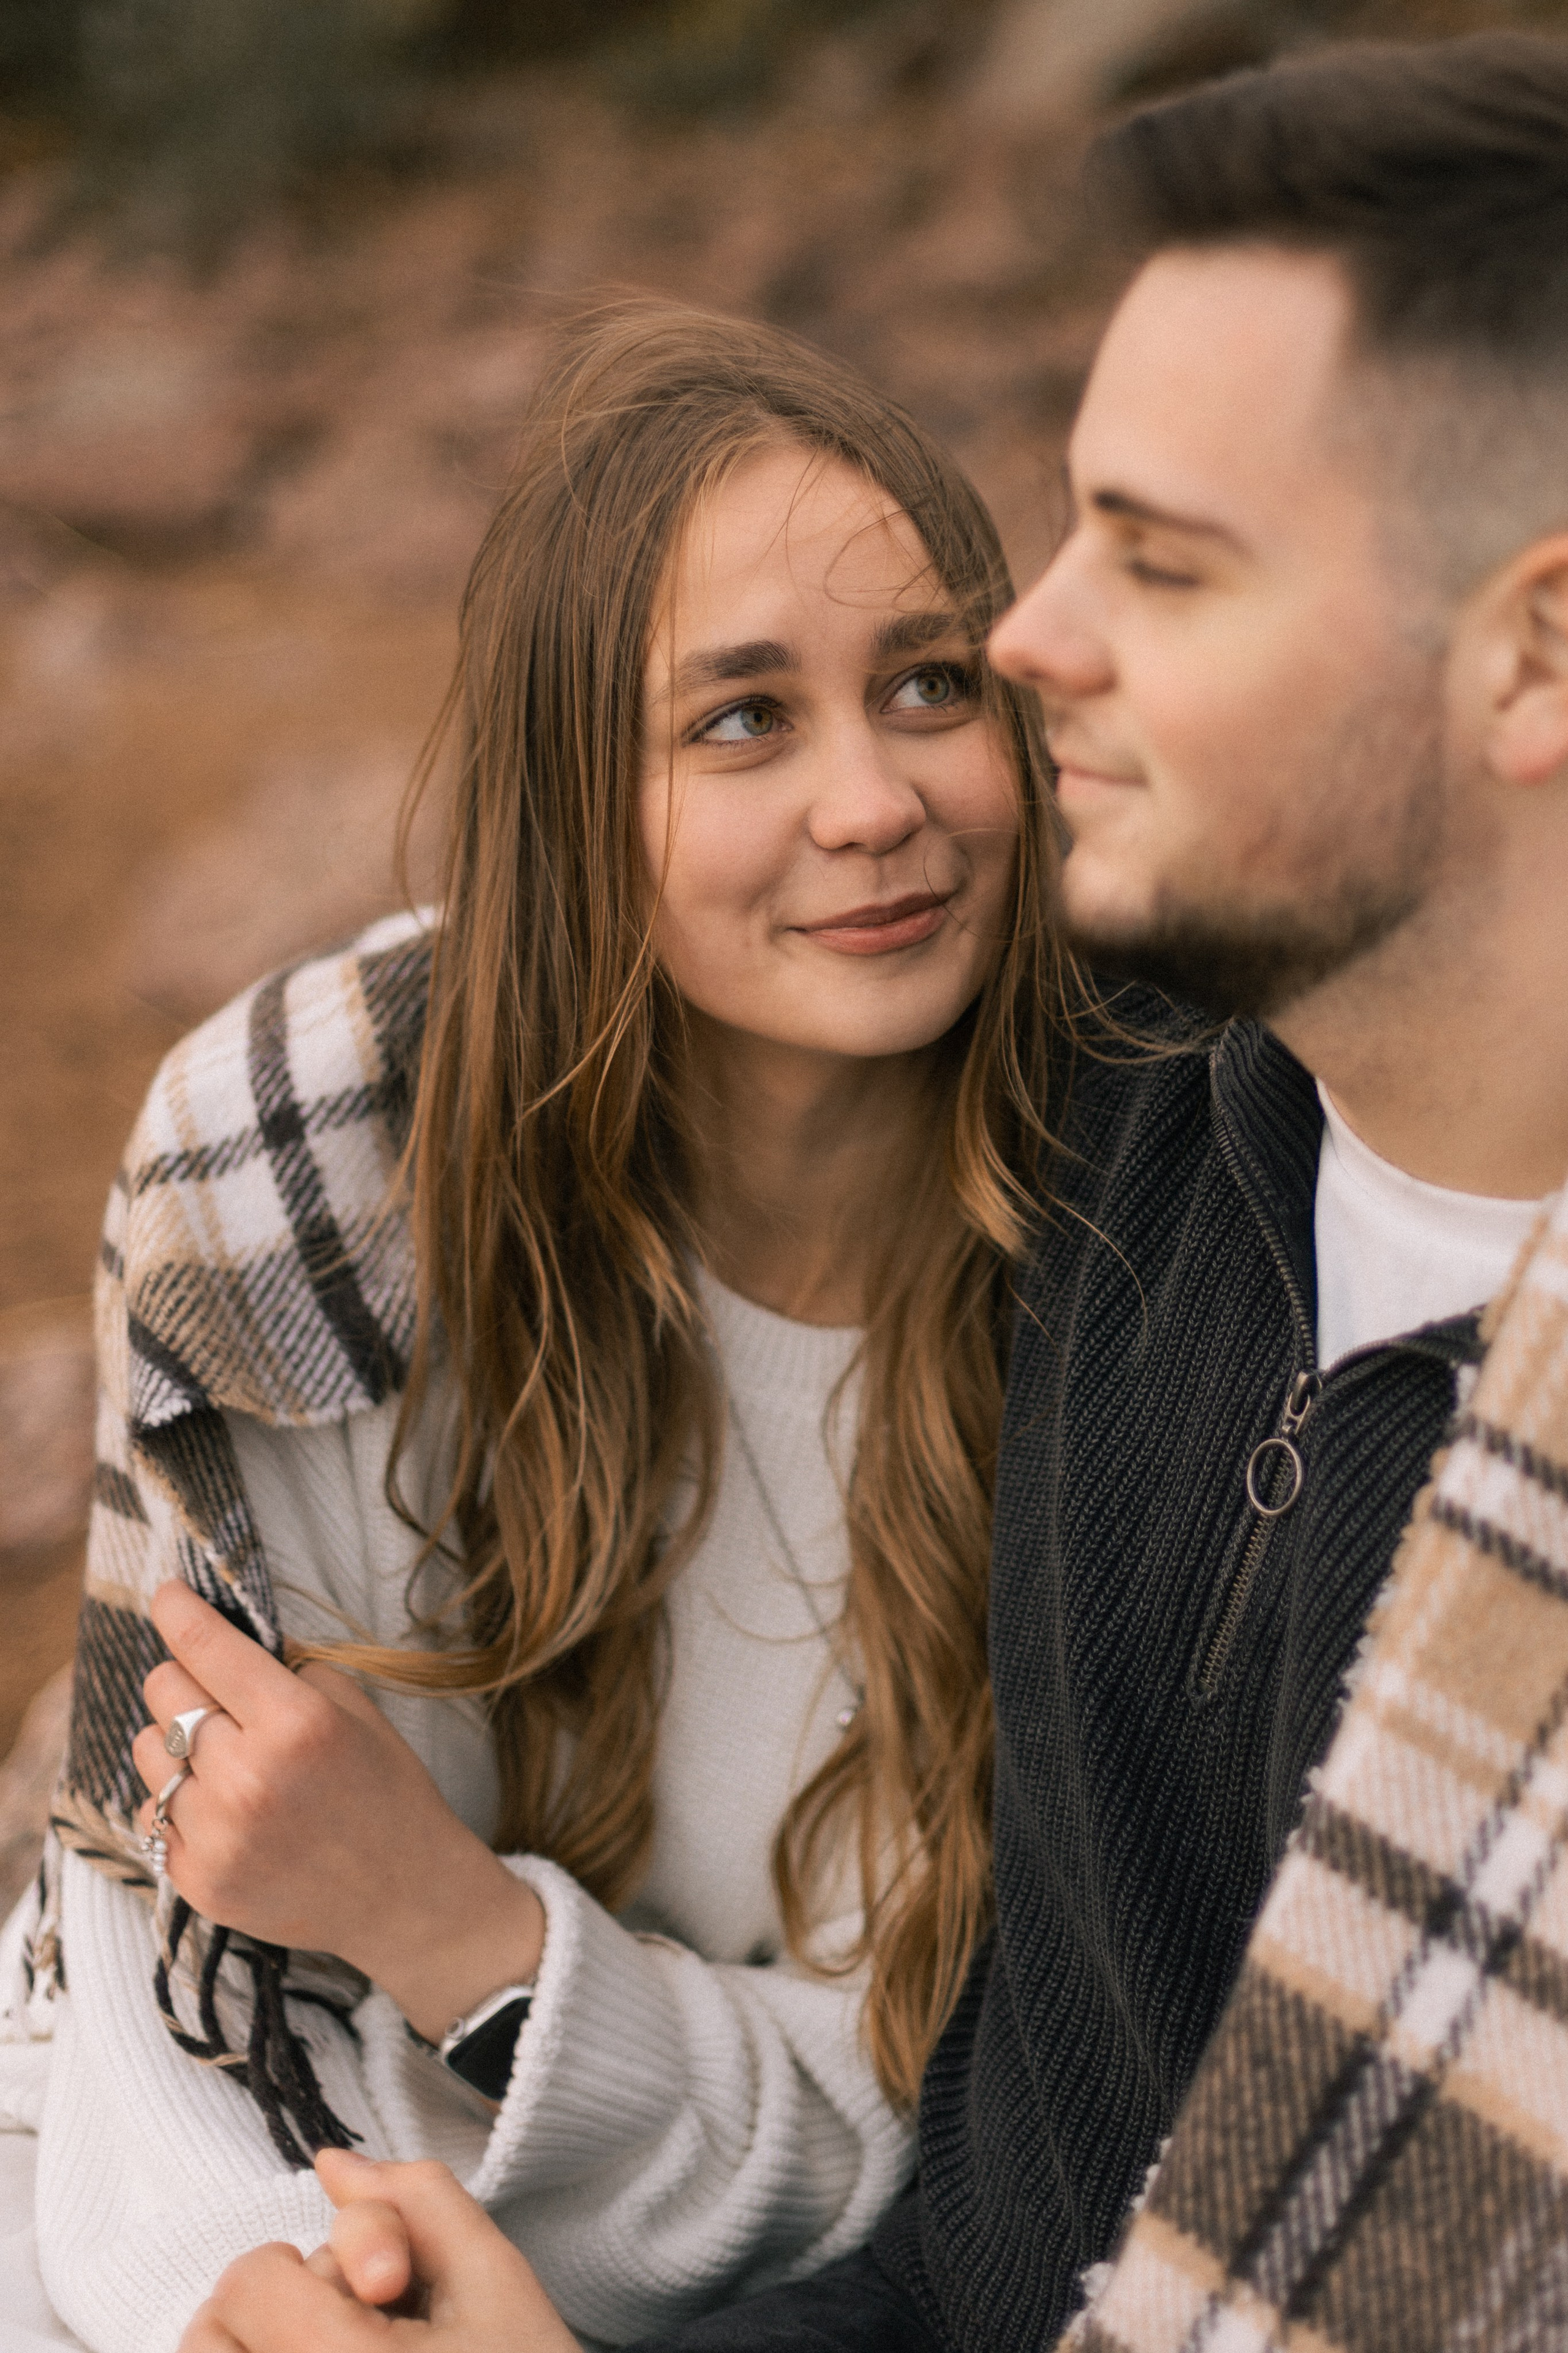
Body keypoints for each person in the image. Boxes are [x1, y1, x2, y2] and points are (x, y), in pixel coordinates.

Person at [174, 28, 1568, 2353]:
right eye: (1071, 525)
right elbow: (976, 2254)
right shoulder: (1151, 1162)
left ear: (1536, 645)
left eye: (1168, 562)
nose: (1028, 650)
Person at [0, 301, 1075, 2352]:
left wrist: (463, 1934)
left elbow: (934, 2106)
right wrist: (256, 2298)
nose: (876, 801)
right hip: (195, 2205)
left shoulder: (1121, 1259)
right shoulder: (299, 1172)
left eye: (929, 683)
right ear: (576, 795)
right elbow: (161, 1939)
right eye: (744, 719)